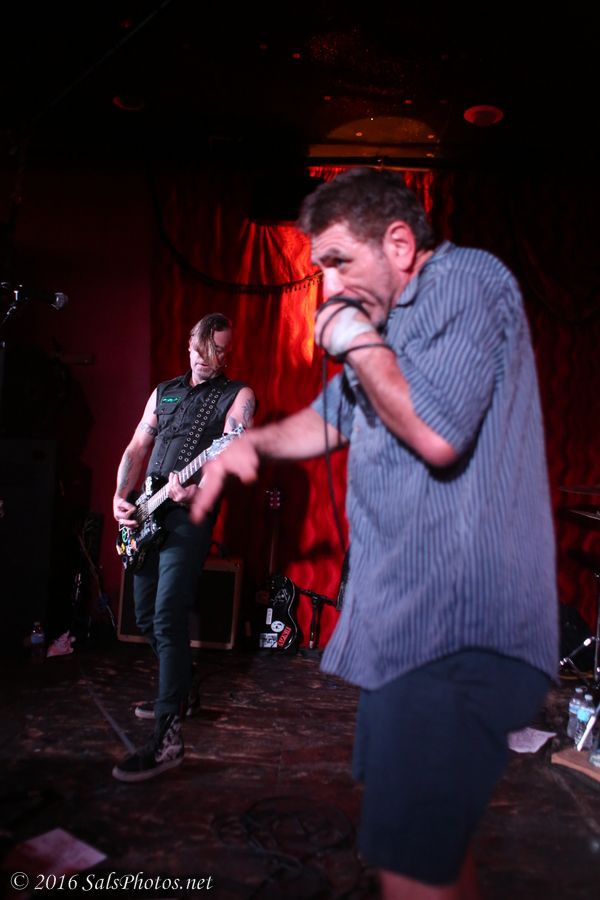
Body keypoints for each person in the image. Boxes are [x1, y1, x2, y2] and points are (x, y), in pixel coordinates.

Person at [190, 169, 558, 898]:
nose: (328, 288)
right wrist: (251, 444)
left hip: (457, 631)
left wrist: (352, 334)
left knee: (410, 864)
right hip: (414, 631)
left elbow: (437, 433)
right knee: (430, 854)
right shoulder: (390, 333)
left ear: (398, 244)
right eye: (321, 269)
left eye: (338, 262)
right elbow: (331, 418)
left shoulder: (466, 282)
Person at [112, 312, 255, 783]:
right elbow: (137, 446)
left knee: (168, 614)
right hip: (147, 512)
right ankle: (183, 690)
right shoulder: (164, 392)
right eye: (198, 348)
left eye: (215, 352)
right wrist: (120, 495)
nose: (203, 358)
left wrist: (197, 490)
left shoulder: (238, 396)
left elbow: (230, 455)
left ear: (225, 354)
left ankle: (168, 737)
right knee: (146, 616)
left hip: (189, 516)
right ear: (190, 345)